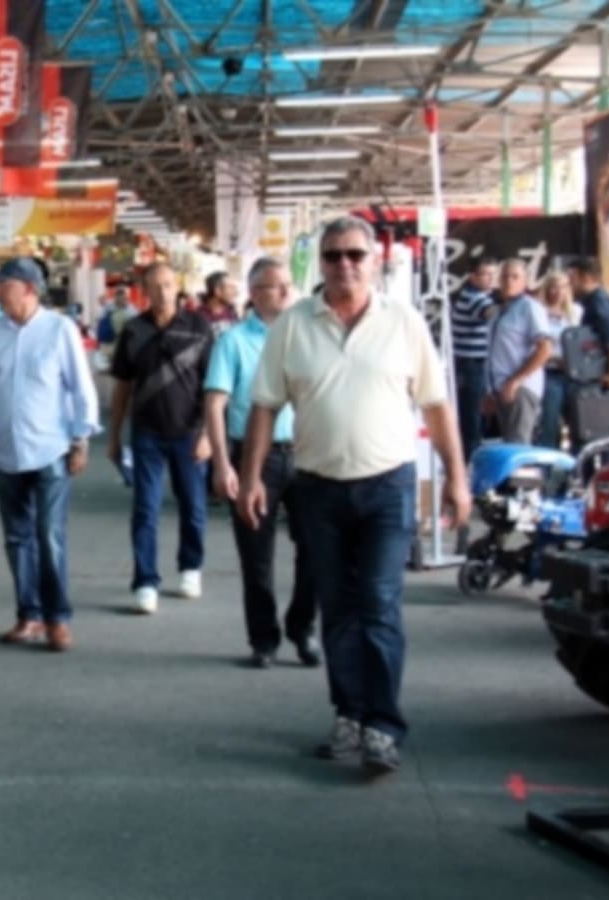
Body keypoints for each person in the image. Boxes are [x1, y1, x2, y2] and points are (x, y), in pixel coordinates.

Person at [239, 216, 470, 775]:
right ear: (320, 264)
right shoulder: (293, 326)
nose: (344, 264)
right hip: (318, 489)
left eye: (355, 254)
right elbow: (264, 406)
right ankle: (349, 713)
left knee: (379, 603)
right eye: (333, 255)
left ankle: (382, 726)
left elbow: (436, 405)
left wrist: (457, 478)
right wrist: (250, 478)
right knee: (339, 609)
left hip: (388, 488)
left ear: (375, 262)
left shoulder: (404, 323)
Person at [0, 257, 99, 652]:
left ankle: (58, 618)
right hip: (6, 451)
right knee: (17, 537)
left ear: (29, 289)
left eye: (3, 284)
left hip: (51, 449)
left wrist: (81, 440)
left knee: (49, 535)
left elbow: (81, 388)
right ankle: (29, 615)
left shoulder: (59, 329)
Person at [204, 257, 318, 669]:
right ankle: (263, 638)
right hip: (255, 457)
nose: (286, 292)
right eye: (275, 286)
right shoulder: (233, 342)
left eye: (288, 284)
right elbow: (214, 404)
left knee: (316, 548)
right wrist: (222, 464)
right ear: (254, 294)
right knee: (256, 555)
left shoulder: (308, 338)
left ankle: (302, 626)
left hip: (307, 455)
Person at [107, 261, 214, 614]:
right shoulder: (134, 331)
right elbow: (122, 387)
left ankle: (190, 567)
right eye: (155, 286)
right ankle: (145, 581)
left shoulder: (199, 327)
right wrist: (114, 435)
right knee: (145, 509)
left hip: (190, 433)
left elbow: (213, 386)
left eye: (168, 285)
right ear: (144, 291)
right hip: (147, 434)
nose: (163, 292)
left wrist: (208, 434)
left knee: (193, 506)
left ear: (177, 286)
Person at [486, 259, 553, 445]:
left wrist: (516, 381)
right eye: (505, 277)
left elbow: (545, 348)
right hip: (500, 387)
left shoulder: (530, 308)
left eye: (515, 277)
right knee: (508, 444)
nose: (509, 282)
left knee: (518, 445)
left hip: (520, 387)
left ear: (524, 281)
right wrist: (490, 389)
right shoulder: (500, 311)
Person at [450, 256, 498, 463]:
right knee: (472, 417)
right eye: (486, 274)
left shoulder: (474, 295)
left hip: (473, 364)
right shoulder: (474, 298)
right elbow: (490, 313)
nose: (491, 279)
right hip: (470, 365)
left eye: (493, 274)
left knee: (473, 415)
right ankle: (470, 462)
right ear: (473, 277)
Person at [535, 272, 581, 449]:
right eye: (553, 287)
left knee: (578, 421)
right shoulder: (539, 313)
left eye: (562, 287)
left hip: (574, 373)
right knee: (550, 421)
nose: (557, 291)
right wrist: (555, 358)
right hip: (550, 371)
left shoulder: (576, 312)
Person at [566, 256, 609, 391]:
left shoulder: (599, 301)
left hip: (601, 374)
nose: (569, 284)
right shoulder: (589, 301)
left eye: (572, 279)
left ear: (586, 278)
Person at [199, 271, 240, 338]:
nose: (236, 292)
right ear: (217, 291)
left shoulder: (233, 315)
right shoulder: (196, 317)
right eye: (231, 288)